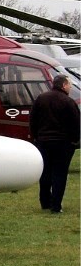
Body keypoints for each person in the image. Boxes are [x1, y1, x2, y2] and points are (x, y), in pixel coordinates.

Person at [29, 74, 80, 213]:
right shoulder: (68, 102)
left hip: (43, 141)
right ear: (63, 85)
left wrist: (35, 137)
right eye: (69, 84)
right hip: (62, 143)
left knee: (45, 172)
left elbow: (33, 120)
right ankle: (56, 205)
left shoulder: (41, 99)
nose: (70, 87)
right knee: (59, 174)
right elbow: (75, 124)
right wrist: (74, 140)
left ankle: (45, 201)